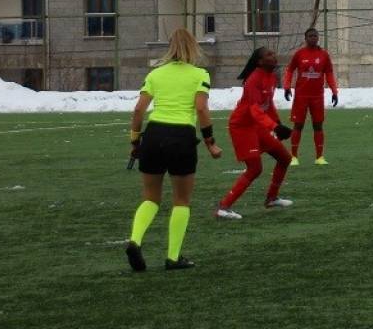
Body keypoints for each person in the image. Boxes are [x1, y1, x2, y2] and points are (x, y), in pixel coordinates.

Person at [124, 27, 223, 272]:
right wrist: (210, 142)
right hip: (181, 138)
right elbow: (201, 109)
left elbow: (138, 110)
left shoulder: (156, 74)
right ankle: (173, 257)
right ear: (193, 47)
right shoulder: (199, 74)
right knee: (181, 200)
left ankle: (135, 240)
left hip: (154, 135)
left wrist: (135, 142)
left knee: (150, 198)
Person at [215, 47, 296, 220]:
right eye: (269, 55)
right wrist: (274, 127)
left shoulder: (272, 76)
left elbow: (268, 104)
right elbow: (254, 110)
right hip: (242, 126)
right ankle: (224, 207)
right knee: (255, 168)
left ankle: (271, 198)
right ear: (259, 61)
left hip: (257, 125)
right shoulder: (253, 79)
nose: (273, 56)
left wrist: (278, 124)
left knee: (285, 158)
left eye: (273, 54)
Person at [283, 28, 339, 166]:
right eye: (310, 36)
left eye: (315, 35)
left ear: (318, 37)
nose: (313, 38)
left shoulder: (324, 55)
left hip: (317, 96)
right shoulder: (299, 54)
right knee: (298, 125)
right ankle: (294, 157)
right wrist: (287, 87)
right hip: (301, 96)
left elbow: (330, 74)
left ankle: (319, 157)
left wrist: (334, 91)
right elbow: (290, 70)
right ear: (305, 38)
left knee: (318, 125)